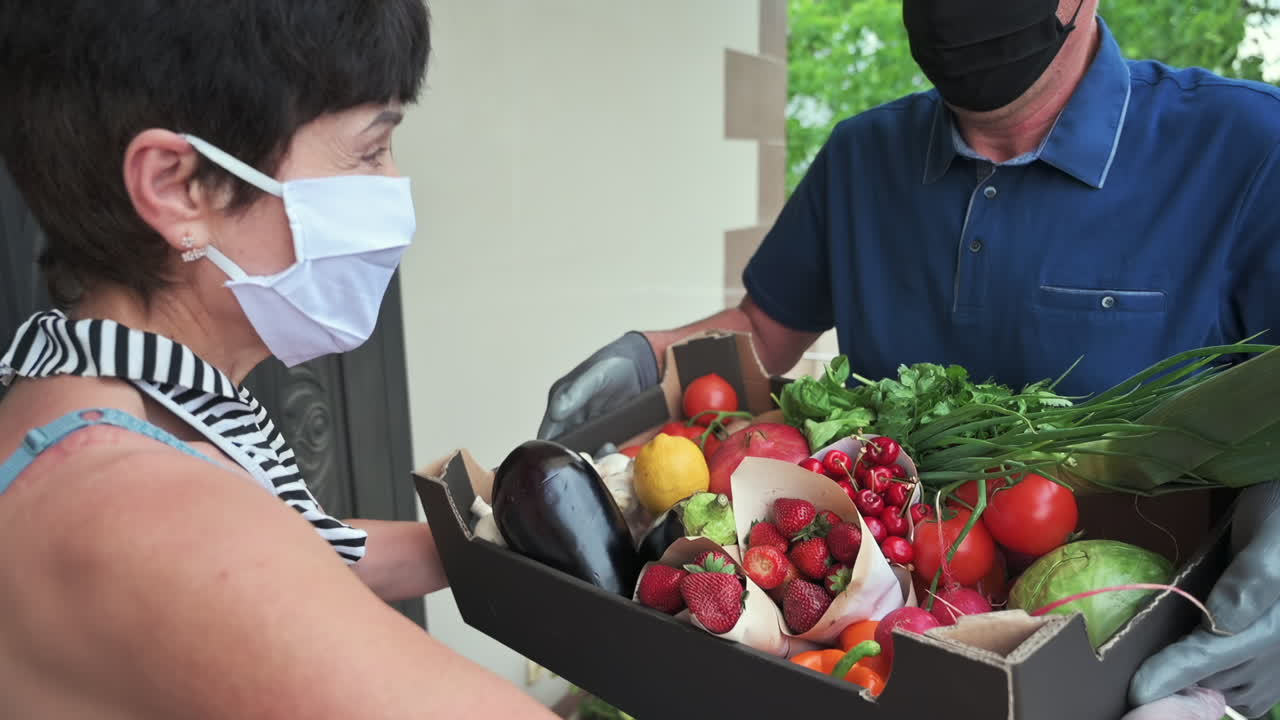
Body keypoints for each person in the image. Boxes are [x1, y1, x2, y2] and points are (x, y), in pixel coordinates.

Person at [538, 0, 1280, 717]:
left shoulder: (1246, 146)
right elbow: (765, 326)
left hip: (1131, 656)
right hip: (880, 608)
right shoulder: (861, 157)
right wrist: (650, 355)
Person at [0, 2, 558, 717]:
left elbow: (303, 548)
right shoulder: (159, 517)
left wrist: (492, 540)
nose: (394, 188)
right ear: (180, 187)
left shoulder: (85, 377)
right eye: (367, 151)